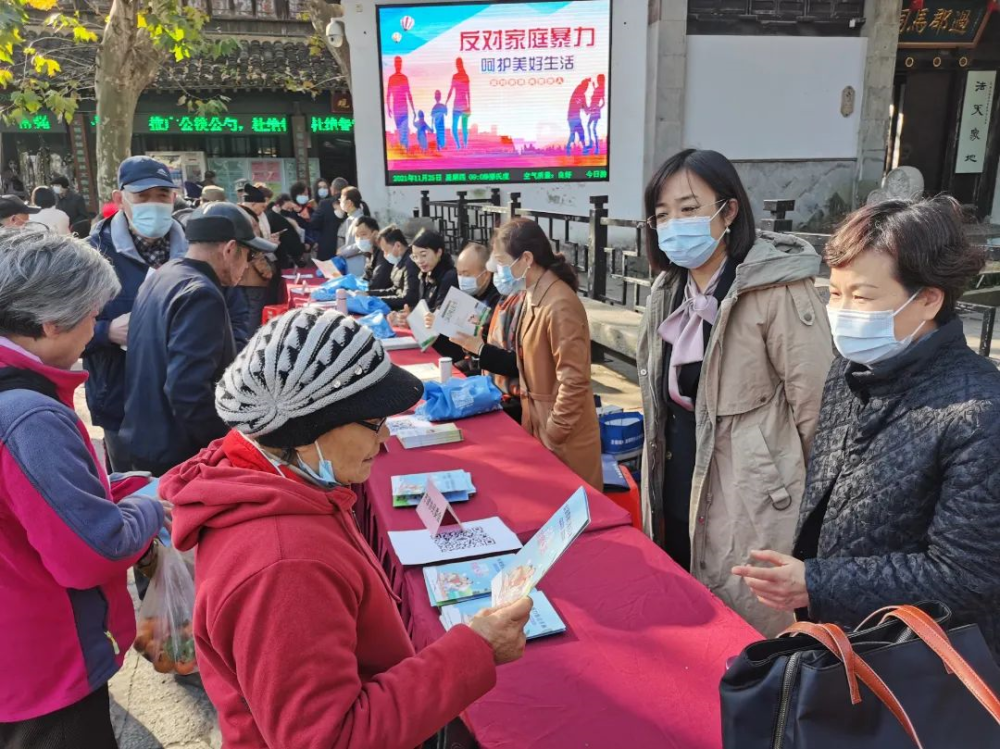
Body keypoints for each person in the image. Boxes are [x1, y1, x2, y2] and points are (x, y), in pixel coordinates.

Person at [161, 308, 532, 748]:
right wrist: (477, 650)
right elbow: (332, 739)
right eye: (374, 422)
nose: (386, 438)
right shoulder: (285, 566)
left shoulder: (283, 482)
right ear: (308, 429)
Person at [734, 197, 1000, 658]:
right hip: (839, 639)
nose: (842, 310)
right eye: (835, 293)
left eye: (863, 296)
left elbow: (967, 576)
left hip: (916, 660)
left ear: (929, 299)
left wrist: (815, 582)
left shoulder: (979, 409)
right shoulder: (851, 370)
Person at [636, 148, 831, 637]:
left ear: (729, 210)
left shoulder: (775, 288)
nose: (674, 224)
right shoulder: (667, 288)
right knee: (681, 596)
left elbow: (817, 410)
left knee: (744, 624)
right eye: (662, 215)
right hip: (675, 471)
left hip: (751, 492)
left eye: (688, 208)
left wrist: (820, 521)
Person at [0, 229, 164, 749]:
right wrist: (154, 504)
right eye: (92, 315)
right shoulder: (29, 417)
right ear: (51, 322)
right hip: (40, 666)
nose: (96, 326)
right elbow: (92, 551)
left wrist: (122, 486)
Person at [118, 203, 277, 476]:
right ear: (229, 249)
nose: (248, 266)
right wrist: (228, 446)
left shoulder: (163, 275)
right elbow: (187, 391)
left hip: (143, 437)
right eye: (249, 255)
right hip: (177, 453)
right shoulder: (201, 294)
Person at [450, 218, 602, 488]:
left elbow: (575, 381)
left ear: (527, 259)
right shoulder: (533, 295)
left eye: (499, 261)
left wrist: (555, 430)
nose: (495, 269)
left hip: (561, 432)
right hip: (536, 421)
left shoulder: (559, 304)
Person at [83, 156, 186, 472]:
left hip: (185, 400)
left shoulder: (195, 249)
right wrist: (106, 331)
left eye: (162, 196)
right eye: (142, 197)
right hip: (121, 401)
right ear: (120, 199)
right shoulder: (90, 255)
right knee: (135, 497)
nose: (154, 205)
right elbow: (55, 328)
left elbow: (233, 312)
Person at [432, 242, 501, 372]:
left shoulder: (498, 299)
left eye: (467, 274)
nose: (462, 279)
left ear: (486, 275)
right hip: (471, 358)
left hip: (491, 365)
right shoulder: (470, 293)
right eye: (459, 273)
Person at [235, 188, 277, 337]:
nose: (262, 210)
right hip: (253, 277)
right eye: (262, 206)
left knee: (243, 313)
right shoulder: (250, 220)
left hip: (239, 275)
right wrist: (266, 271)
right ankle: (251, 344)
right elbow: (255, 252)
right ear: (253, 203)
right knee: (254, 313)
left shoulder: (238, 215)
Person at [370, 225, 420, 311]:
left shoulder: (411, 263)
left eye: (386, 251)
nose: (385, 255)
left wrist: (377, 300)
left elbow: (409, 298)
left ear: (398, 245)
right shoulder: (399, 261)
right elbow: (395, 289)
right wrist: (369, 294)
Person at [309, 176, 349, 260]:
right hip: (349, 248)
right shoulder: (354, 203)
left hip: (328, 249)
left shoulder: (324, 204)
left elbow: (314, 223)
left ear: (332, 189)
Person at [386, 55, 416, 150]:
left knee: (404, 131)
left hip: (403, 107)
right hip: (396, 108)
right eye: (397, 63)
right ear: (395, 65)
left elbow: (409, 94)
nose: (398, 65)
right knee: (400, 130)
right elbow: (388, 94)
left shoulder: (404, 78)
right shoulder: (391, 78)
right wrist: (388, 108)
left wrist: (413, 109)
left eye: (400, 63)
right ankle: (403, 150)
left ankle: (405, 149)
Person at [447, 57, 471, 149]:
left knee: (457, 128)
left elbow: (467, 92)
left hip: (459, 106)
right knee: (462, 128)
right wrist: (469, 106)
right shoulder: (463, 76)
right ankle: (462, 146)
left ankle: (461, 146)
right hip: (461, 105)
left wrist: (469, 106)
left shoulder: (460, 76)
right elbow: (467, 92)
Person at [565, 78, 590, 155]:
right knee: (578, 133)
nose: (586, 88)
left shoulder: (579, 93)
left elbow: (585, 109)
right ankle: (583, 149)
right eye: (586, 87)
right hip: (574, 118)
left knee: (575, 133)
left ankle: (569, 148)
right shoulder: (579, 93)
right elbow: (586, 110)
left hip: (572, 117)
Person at [586, 74, 606, 155]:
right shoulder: (599, 88)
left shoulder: (601, 89)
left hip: (595, 109)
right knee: (589, 126)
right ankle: (592, 144)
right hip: (593, 109)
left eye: (598, 79)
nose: (597, 81)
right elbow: (596, 96)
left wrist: (598, 108)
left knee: (593, 128)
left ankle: (596, 147)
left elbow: (603, 102)